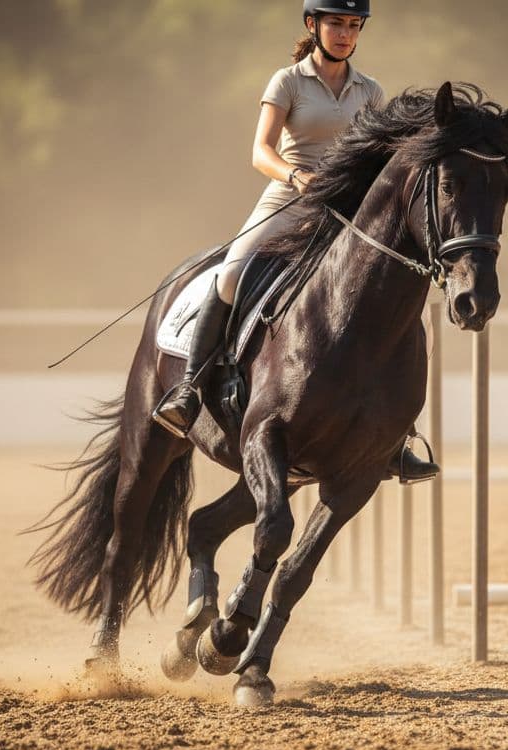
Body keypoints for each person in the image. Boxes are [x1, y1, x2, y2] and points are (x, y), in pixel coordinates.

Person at [152, 0, 440, 483]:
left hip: (348, 210)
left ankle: (397, 434)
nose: (346, 34)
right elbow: (260, 151)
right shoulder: (287, 81)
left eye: (353, 25)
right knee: (232, 272)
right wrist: (296, 175)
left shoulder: (370, 90)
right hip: (288, 198)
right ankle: (190, 390)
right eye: (336, 24)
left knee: (387, 293)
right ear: (314, 25)